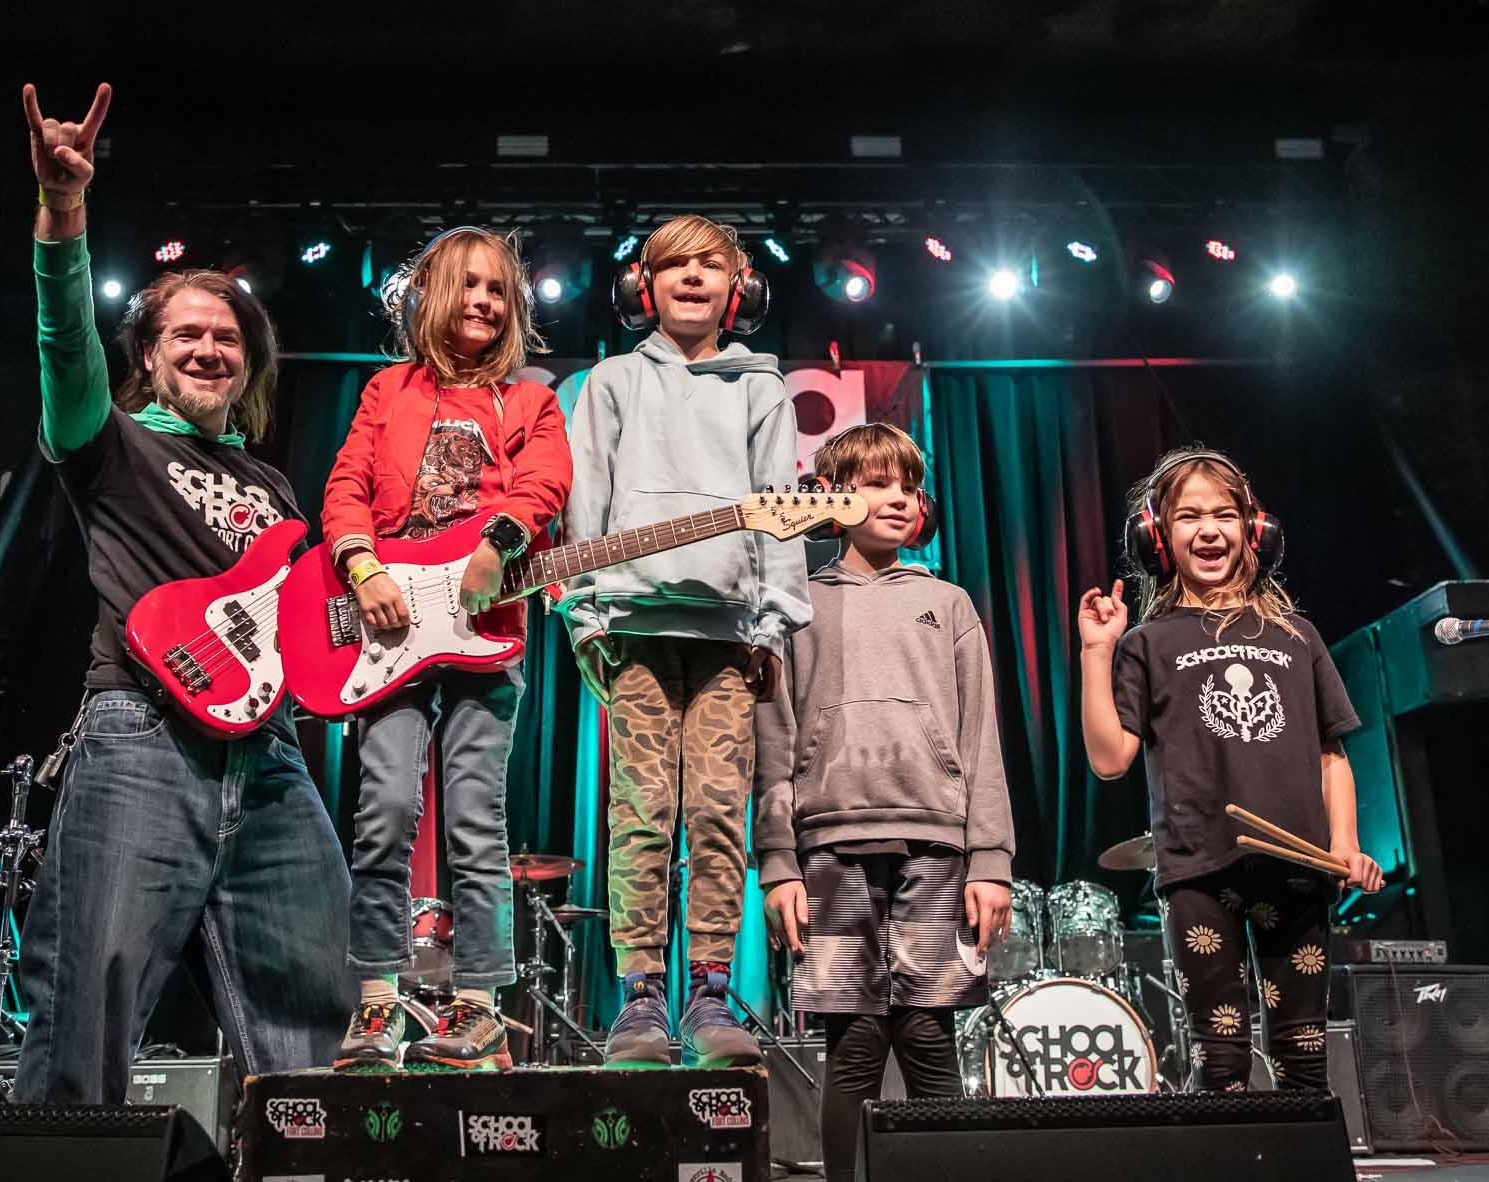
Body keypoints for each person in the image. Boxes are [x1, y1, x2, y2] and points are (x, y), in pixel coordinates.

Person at [14, 82, 351, 1103]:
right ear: (149, 359)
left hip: (272, 756)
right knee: (93, 1002)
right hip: (143, 733)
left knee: (307, 1002)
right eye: (187, 337)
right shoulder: (105, 442)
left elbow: (313, 630)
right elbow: (64, 341)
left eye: (229, 340)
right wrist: (64, 214)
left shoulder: (278, 491)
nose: (211, 349)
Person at [558, 214, 812, 1067]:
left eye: (712, 265)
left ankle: (708, 988)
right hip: (630, 626)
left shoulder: (762, 388)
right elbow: (583, 503)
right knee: (641, 814)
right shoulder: (611, 382)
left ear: (739, 288)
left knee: (715, 814)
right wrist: (584, 615)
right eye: (675, 267)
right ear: (643, 288)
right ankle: (638, 998)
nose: (694, 278)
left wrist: (773, 623)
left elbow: (780, 511)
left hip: (728, 634)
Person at [320, 226, 572, 1070]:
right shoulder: (388, 390)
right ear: (432, 297)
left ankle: (479, 1007)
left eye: (498, 290)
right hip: (388, 627)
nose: (483, 301)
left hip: (487, 630)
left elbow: (547, 481)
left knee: (476, 822)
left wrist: (498, 543)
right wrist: (360, 567)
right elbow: (347, 486)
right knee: (384, 810)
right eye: (467, 285)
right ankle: (378, 1004)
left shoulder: (531, 401)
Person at [754, 423, 1014, 1182]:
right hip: (829, 848)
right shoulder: (794, 607)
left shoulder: (950, 602)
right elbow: (774, 738)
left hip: (937, 845)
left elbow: (981, 739)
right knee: (855, 1043)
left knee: (930, 1036)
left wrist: (989, 859)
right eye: (874, 483)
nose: (898, 497)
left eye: (907, 484)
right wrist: (778, 860)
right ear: (830, 501)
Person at [1078, 446, 1383, 1091]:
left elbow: (1333, 754)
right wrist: (1096, 654)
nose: (1209, 530)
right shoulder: (1146, 643)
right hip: (1197, 869)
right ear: (1158, 536)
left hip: (1299, 868)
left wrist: (1346, 844)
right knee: (1221, 1062)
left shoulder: (1298, 636)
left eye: (1224, 515)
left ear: (1254, 532)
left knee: (1304, 1061)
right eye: (1188, 516)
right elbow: (1110, 760)